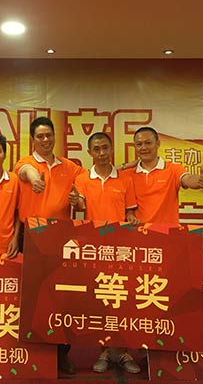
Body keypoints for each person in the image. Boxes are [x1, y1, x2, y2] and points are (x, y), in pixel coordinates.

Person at [15, 116, 82, 375]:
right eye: (40, 136)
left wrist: (79, 199)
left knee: (62, 297)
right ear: (33, 140)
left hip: (61, 239)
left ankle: (61, 354)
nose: (45, 140)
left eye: (49, 135)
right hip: (32, 237)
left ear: (55, 136)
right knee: (33, 298)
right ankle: (35, 355)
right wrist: (34, 178)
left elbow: (86, 188)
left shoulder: (70, 167)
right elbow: (25, 172)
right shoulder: (25, 163)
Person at [72, 132, 141, 374]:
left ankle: (123, 352)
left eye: (105, 148)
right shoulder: (82, 179)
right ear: (89, 152)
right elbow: (81, 205)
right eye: (97, 149)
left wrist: (131, 218)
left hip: (121, 252)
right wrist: (76, 201)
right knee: (100, 304)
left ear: (112, 149)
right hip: (94, 252)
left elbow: (129, 212)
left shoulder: (125, 179)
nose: (102, 153)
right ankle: (104, 351)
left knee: (123, 303)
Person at [122, 126, 203, 226]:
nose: (143, 148)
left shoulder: (173, 169)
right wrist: (124, 166)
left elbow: (187, 179)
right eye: (139, 144)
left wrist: (198, 181)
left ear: (158, 144)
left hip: (167, 233)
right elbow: (108, 174)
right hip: (138, 232)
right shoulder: (128, 175)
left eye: (148, 143)